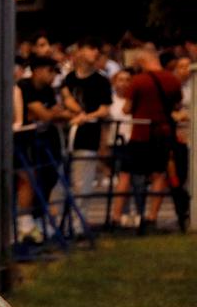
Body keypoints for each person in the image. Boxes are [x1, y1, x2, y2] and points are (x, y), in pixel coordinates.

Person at [121, 49, 184, 232]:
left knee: (138, 175)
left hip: (140, 133)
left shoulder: (138, 81)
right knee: (159, 174)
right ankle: (152, 216)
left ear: (141, 61)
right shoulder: (172, 80)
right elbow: (177, 104)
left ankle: (139, 215)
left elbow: (127, 108)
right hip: (163, 132)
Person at [13, 56, 72, 242]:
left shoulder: (46, 90)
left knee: (47, 179)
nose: (53, 75)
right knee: (27, 179)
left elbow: (60, 112)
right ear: (37, 70)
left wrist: (53, 114)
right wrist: (51, 114)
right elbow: (44, 114)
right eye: (50, 70)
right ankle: (25, 223)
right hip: (23, 143)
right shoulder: (24, 86)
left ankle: (38, 220)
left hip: (44, 144)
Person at [60, 42, 113, 206]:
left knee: (83, 179)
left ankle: (79, 222)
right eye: (91, 47)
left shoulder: (101, 80)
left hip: (89, 134)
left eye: (96, 49)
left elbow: (104, 109)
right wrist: (75, 113)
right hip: (67, 133)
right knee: (63, 180)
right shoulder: (69, 78)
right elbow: (65, 98)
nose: (95, 52)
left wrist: (86, 117)